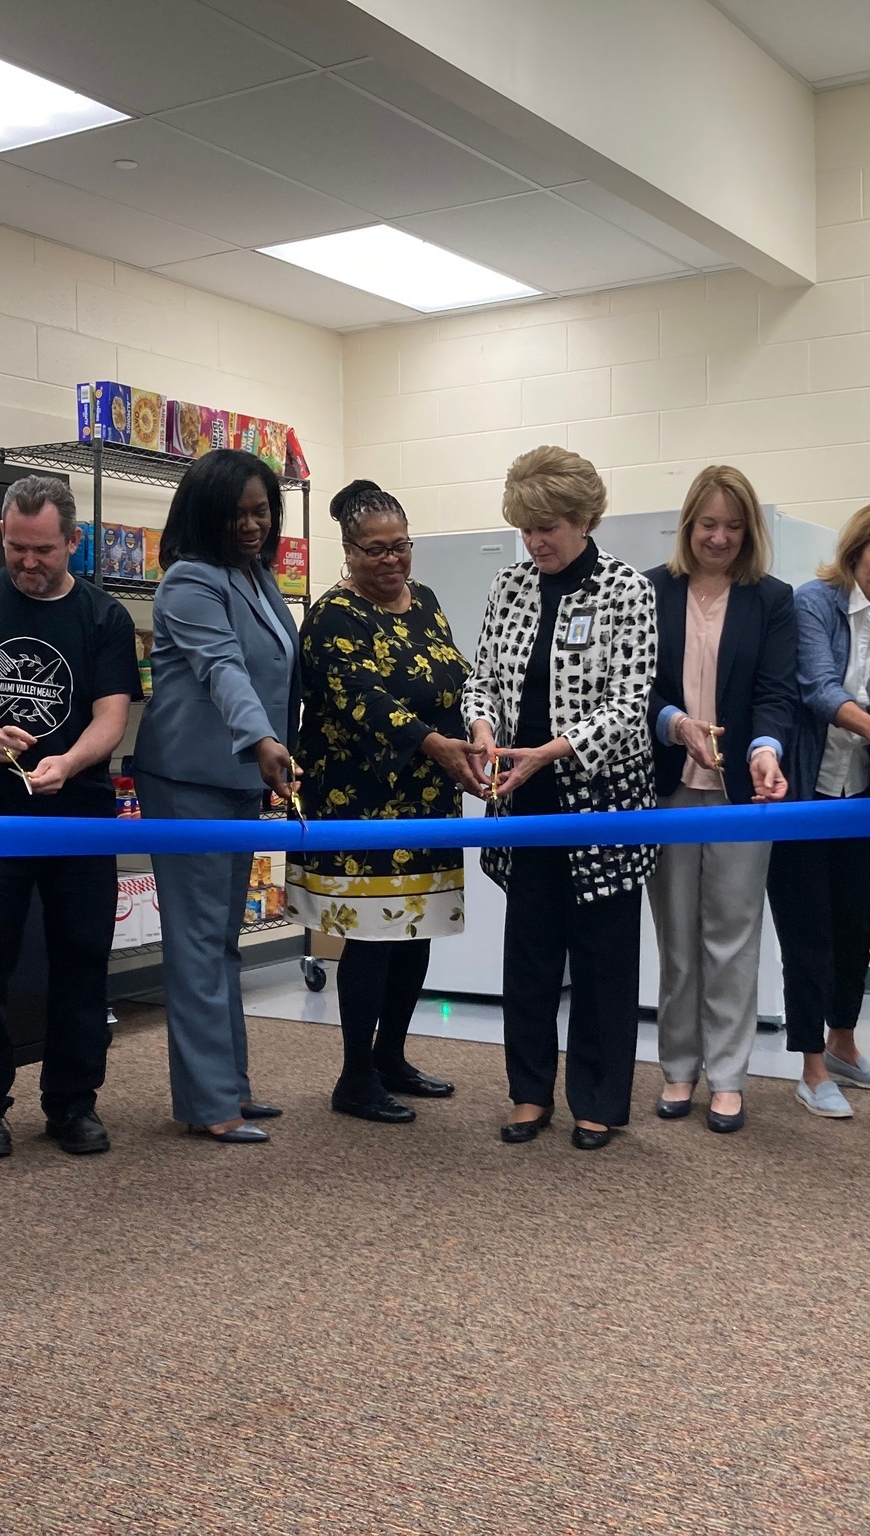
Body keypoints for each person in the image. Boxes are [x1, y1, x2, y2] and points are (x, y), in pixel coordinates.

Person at [0, 475, 141, 1159]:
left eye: (43, 550)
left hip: (78, 811)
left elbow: (112, 715)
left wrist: (69, 762)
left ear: (73, 542)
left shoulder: (104, 617)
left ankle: (73, 1104)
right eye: (16, 548)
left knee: (81, 959)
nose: (28, 562)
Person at [463, 446, 657, 1153]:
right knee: (531, 954)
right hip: (522, 799)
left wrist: (556, 748)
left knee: (606, 959)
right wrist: (482, 725)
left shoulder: (626, 590)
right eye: (525, 529)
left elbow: (631, 704)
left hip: (600, 801)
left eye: (548, 527)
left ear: (584, 519)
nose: (536, 542)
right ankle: (528, 1092)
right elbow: (479, 679)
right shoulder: (508, 587)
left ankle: (600, 1101)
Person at [285, 480, 485, 1123]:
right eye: (375, 551)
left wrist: (473, 736)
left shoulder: (424, 602)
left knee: (417, 933)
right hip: (361, 801)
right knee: (372, 939)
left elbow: (457, 675)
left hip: (429, 797)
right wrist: (435, 743)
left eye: (401, 546)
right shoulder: (330, 614)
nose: (392, 560)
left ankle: (392, 1056)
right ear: (348, 551)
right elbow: (361, 701)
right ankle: (355, 1075)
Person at [135, 449, 300, 1145]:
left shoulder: (256, 577)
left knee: (223, 942)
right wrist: (264, 743)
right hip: (190, 781)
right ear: (207, 516)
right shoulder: (190, 581)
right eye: (238, 514)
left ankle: (229, 1084)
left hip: (237, 781)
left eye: (263, 510)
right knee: (200, 944)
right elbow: (224, 671)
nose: (254, 525)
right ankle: (208, 1102)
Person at [766, 499, 870, 1119]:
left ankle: (843, 1045)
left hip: (862, 793)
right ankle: (810, 1067)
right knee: (806, 931)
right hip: (806, 792)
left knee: (854, 925)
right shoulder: (813, 601)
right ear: (856, 550)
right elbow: (816, 686)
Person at [646, 464, 797, 1134]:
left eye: (733, 526)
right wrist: (675, 723)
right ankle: (679, 1067)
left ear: (750, 531)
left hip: (741, 792)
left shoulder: (772, 599)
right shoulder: (650, 591)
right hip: (668, 787)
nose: (719, 537)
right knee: (677, 938)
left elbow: (776, 693)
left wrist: (765, 749)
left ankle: (729, 1076)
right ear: (689, 525)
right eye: (708, 524)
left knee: (732, 939)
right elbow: (638, 688)